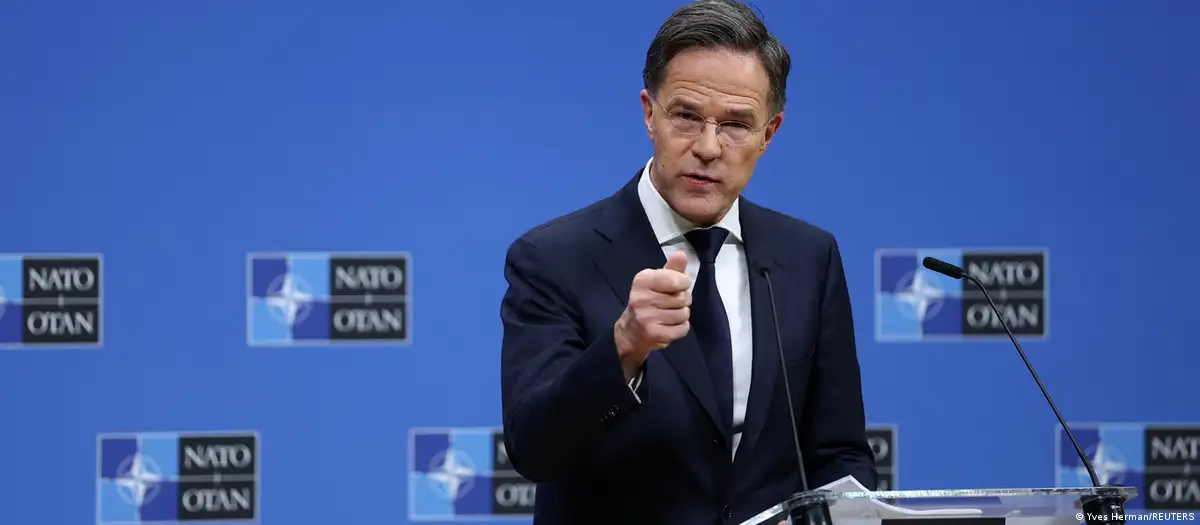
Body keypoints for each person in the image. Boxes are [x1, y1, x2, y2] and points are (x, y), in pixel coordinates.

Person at [498, 1, 877, 523]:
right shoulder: (554, 257)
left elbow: (839, 453)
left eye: (736, 124)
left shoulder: (809, 257)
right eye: (686, 116)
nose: (708, 147)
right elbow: (532, 447)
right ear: (649, 114)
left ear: (769, 134)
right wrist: (624, 346)